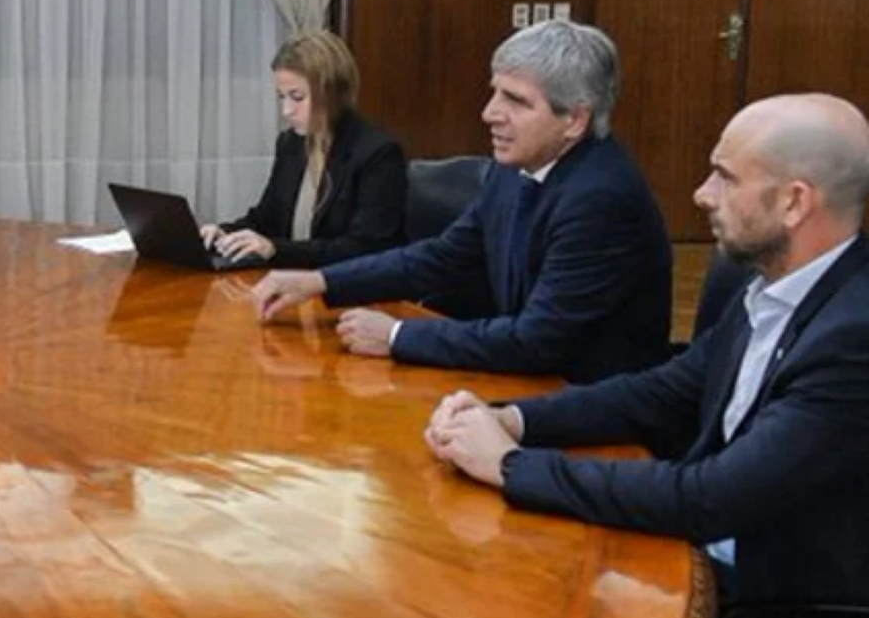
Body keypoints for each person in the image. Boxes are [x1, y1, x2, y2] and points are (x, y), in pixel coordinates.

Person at [427, 93, 869, 618]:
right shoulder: (767, 285)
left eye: (723, 176)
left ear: (794, 203)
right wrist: (511, 419)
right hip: (714, 564)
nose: (700, 194)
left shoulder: (853, 335)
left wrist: (509, 467)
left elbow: (710, 497)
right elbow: (662, 393)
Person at [251, 20, 670, 384]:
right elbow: (442, 256)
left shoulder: (600, 199)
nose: (490, 113)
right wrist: (319, 281)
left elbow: (537, 341)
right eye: (495, 93)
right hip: (527, 382)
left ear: (575, 120)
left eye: (516, 101)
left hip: (587, 406)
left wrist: (398, 336)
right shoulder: (515, 167)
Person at [198, 29, 407, 268]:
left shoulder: (378, 154)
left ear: (333, 93)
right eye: (281, 96)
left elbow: (364, 248)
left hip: (344, 290)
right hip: (293, 283)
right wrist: (223, 233)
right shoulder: (290, 143)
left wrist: (276, 249)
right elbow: (266, 218)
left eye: (297, 97)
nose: (286, 111)